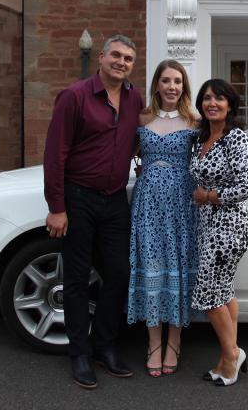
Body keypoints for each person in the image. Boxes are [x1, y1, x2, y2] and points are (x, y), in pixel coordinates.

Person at [43, 34, 143, 390]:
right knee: (76, 277)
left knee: (119, 272)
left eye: (128, 58)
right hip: (78, 199)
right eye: (116, 55)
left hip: (114, 199)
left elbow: (136, 142)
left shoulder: (134, 99)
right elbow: (55, 154)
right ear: (101, 57)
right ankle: (79, 354)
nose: (121, 62)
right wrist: (57, 207)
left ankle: (104, 346)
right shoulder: (74, 97)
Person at [127, 60, 199, 377]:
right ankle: (153, 342)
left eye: (178, 81)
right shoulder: (142, 117)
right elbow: (125, 150)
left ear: (184, 86)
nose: (172, 86)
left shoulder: (194, 121)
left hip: (182, 206)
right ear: (156, 84)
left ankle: (175, 342)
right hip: (148, 205)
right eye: (166, 80)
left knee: (177, 269)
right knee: (152, 267)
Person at [189, 78, 248, 387]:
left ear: (230, 104)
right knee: (224, 292)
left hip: (228, 227)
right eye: (206, 98)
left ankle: (231, 356)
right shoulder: (202, 138)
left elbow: (246, 186)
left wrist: (209, 196)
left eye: (219, 98)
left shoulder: (235, 138)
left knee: (209, 296)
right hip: (209, 228)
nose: (211, 103)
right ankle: (229, 354)